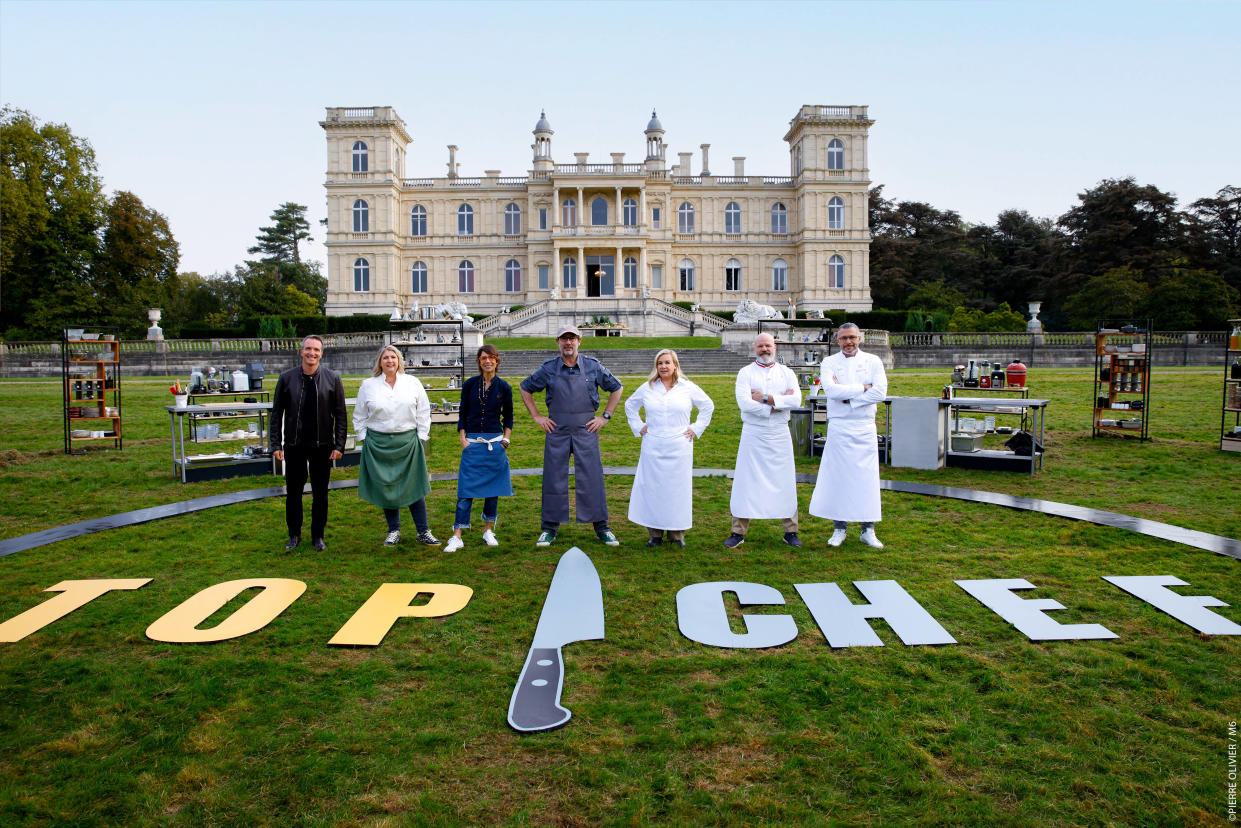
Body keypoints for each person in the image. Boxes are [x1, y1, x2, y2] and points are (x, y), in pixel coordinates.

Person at [520, 325, 623, 547]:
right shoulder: (548, 368)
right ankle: (549, 528)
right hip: (557, 428)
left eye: (572, 338)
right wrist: (537, 416)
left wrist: (605, 416)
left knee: (592, 476)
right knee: (553, 478)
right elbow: (525, 388)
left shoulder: (592, 366)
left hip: (586, 428)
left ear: (579, 341)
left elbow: (617, 387)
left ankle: (602, 527)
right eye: (564, 339)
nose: (568, 343)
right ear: (557, 341)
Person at [809, 323, 889, 548]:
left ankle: (868, 529)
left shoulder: (873, 361)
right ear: (838, 340)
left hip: (864, 426)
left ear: (860, 338)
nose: (848, 342)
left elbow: (880, 392)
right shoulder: (829, 362)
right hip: (839, 426)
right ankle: (839, 528)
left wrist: (850, 398)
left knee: (867, 479)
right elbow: (831, 391)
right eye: (844, 338)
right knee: (839, 478)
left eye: (852, 337)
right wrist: (863, 388)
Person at [625, 349, 715, 547]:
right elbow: (630, 405)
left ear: (675, 365)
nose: (663, 366)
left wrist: (696, 428)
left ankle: (677, 535)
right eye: (660, 363)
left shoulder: (687, 387)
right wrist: (639, 427)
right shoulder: (648, 387)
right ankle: (655, 534)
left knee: (677, 491)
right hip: (653, 444)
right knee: (653, 489)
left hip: (679, 445)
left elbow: (708, 406)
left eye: (667, 362)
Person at [353, 345, 440, 548]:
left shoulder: (412, 383)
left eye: (393, 357)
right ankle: (393, 530)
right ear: (379, 362)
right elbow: (359, 415)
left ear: (400, 361)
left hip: (408, 441)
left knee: (415, 487)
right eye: (386, 358)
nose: (390, 361)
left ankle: (423, 531)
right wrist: (364, 438)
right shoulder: (368, 385)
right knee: (387, 488)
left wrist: (421, 436)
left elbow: (424, 410)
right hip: (378, 443)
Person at [724, 332, 803, 548]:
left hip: (779, 432)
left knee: (785, 480)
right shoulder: (745, 373)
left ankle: (791, 531)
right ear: (754, 348)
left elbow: (796, 400)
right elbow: (744, 403)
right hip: (754, 432)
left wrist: (767, 399)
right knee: (746, 480)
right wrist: (778, 405)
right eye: (760, 346)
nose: (764, 349)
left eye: (768, 345)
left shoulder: (787, 372)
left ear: (775, 347)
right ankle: (738, 531)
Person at [270, 334, 347, 552]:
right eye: (308, 349)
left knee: (320, 493)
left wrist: (339, 445)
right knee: (293, 492)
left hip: (322, 446)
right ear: (301, 351)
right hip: (294, 445)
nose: (312, 353)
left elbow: (340, 414)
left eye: (316, 350)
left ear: (321, 354)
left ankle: (318, 535)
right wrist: (275, 444)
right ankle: (294, 534)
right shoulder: (286, 378)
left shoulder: (333, 379)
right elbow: (276, 414)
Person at [445, 345, 514, 552]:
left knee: (492, 490)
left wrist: (506, 439)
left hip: (495, 444)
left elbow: (508, 416)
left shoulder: (504, 387)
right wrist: (462, 438)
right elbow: (463, 413)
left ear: (497, 361)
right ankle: (458, 534)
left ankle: (488, 530)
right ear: (479, 360)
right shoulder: (469, 385)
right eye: (484, 358)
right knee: (466, 490)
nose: (488, 361)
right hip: (473, 443)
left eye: (492, 358)